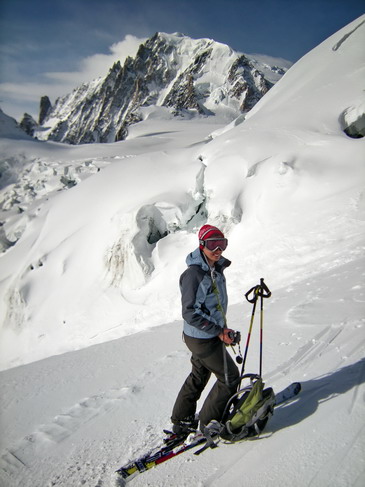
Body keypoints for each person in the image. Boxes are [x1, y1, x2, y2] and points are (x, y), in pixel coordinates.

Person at [171, 224, 240, 435]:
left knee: (199, 376)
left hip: (201, 335)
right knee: (230, 378)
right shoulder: (195, 274)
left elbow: (212, 305)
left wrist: (222, 330)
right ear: (201, 245)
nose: (218, 250)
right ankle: (210, 423)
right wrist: (218, 332)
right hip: (202, 338)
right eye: (213, 244)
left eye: (222, 244)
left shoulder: (213, 268)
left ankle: (182, 420)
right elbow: (190, 312)